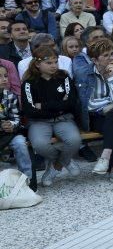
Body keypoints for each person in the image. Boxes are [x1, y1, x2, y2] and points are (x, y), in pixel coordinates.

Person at [20, 45, 83, 186]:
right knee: (39, 144)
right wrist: (60, 105)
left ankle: (56, 166)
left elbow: (72, 102)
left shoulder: (64, 77)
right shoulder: (29, 83)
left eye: (55, 62)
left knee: (74, 140)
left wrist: (43, 105)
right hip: (39, 121)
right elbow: (29, 110)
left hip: (63, 119)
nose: (54, 66)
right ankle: (64, 160)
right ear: (37, 64)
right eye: (49, 63)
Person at [76, 37, 113, 185]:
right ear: (95, 60)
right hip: (94, 117)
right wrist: (108, 103)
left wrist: (112, 77)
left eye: (112, 54)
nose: (111, 58)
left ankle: (105, 158)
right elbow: (87, 104)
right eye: (106, 56)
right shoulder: (83, 74)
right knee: (112, 124)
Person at [0, 63, 31, 179]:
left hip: (9, 133)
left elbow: (16, 117)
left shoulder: (10, 96)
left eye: (6, 76)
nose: (4, 79)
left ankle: (27, 179)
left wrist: (11, 125)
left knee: (20, 144)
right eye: (0, 76)